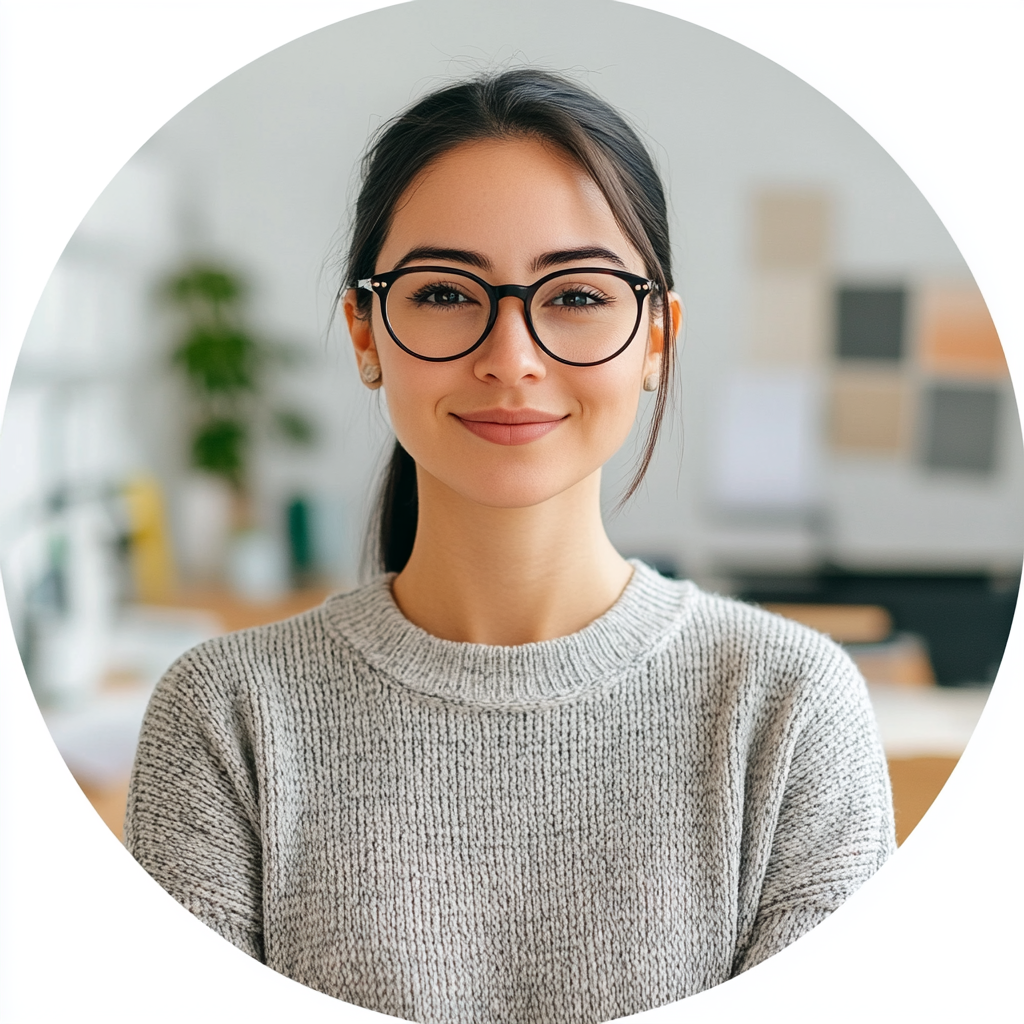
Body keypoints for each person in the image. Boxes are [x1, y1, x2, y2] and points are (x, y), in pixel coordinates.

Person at [125, 69, 895, 1024]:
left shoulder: (789, 711)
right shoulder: (227, 720)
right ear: (366, 331)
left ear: (656, 338)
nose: (512, 355)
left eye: (576, 295)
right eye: (446, 291)